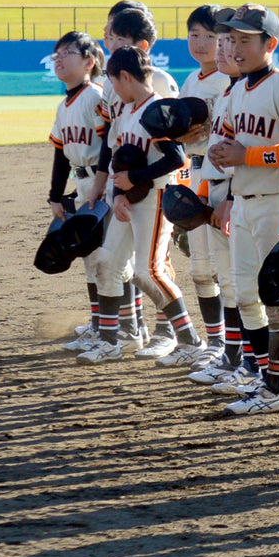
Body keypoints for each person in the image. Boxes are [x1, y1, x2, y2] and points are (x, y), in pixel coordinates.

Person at [207, 3, 279, 414]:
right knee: (246, 295)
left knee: (278, 296)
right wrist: (219, 153)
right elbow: (231, 143)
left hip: (278, 200)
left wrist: (248, 157)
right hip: (246, 202)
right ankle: (271, 379)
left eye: (245, 40)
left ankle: (277, 387)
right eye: (231, 39)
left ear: (271, 43)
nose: (235, 47)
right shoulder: (234, 91)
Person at [86, 46, 203, 364]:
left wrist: (134, 178)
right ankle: (109, 341)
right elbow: (120, 160)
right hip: (129, 200)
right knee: (107, 263)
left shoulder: (157, 110)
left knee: (147, 272)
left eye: (114, 82)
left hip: (155, 199)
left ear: (125, 77)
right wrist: (119, 194)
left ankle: (191, 341)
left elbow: (176, 158)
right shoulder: (125, 111)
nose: (113, 90)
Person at [175, 5, 234, 370]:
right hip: (195, 173)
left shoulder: (230, 81)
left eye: (210, 36)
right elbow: (182, 137)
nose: (201, 42)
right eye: (194, 34)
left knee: (225, 269)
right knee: (199, 268)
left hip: (222, 175)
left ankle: (231, 346)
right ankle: (215, 342)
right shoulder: (190, 81)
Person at [44, 32, 109, 355]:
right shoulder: (64, 104)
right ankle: (99, 325)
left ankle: (118, 327)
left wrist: (100, 185)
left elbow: (109, 141)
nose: (58, 59)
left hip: (102, 182)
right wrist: (56, 196)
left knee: (106, 259)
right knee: (89, 259)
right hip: (82, 183)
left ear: (89, 62)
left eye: (66, 53)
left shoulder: (95, 96)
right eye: (56, 54)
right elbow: (60, 154)